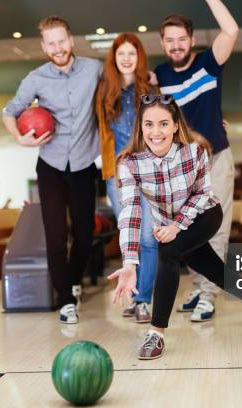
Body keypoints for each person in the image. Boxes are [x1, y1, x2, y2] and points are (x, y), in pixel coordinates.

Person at [108, 94, 242, 360]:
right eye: (148, 124)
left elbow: (202, 194)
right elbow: (131, 214)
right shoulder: (130, 164)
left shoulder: (193, 151)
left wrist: (176, 226)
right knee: (214, 269)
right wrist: (129, 262)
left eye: (163, 124)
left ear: (174, 126)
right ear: (140, 127)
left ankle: (156, 334)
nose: (155, 132)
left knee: (168, 252)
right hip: (170, 226)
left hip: (204, 214)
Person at [2, 16, 102, 325]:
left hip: (85, 163)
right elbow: (10, 111)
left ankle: (72, 280)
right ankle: (66, 300)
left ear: (71, 41)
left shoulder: (94, 69)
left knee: (85, 235)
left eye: (61, 41)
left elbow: (124, 81)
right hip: (50, 166)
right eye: (51, 43)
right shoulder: (35, 79)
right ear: (44, 47)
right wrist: (19, 137)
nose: (57, 47)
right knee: (55, 237)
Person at [154, 0, 239, 323]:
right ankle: (200, 285)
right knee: (187, 231)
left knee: (215, 228)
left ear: (191, 39)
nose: (176, 45)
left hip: (215, 158)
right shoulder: (160, 76)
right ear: (163, 43)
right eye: (169, 40)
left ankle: (208, 294)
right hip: (184, 168)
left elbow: (230, 30)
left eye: (181, 39)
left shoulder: (209, 63)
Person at [95, 33, 156, 323]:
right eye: (122, 54)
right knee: (128, 237)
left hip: (148, 171)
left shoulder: (151, 86)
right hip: (117, 175)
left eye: (132, 53)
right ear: (114, 59)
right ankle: (134, 295)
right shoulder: (104, 90)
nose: (127, 58)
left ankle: (143, 299)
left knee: (147, 237)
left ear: (139, 57)